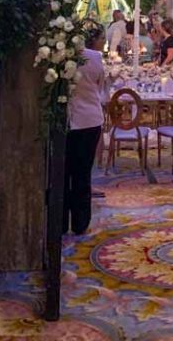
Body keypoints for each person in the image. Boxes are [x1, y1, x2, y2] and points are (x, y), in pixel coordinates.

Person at [65, 24, 108, 234]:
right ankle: (81, 223)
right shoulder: (95, 58)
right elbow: (100, 86)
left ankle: (61, 221)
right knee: (82, 172)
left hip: (69, 119)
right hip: (90, 120)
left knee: (64, 172)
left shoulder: (63, 55)